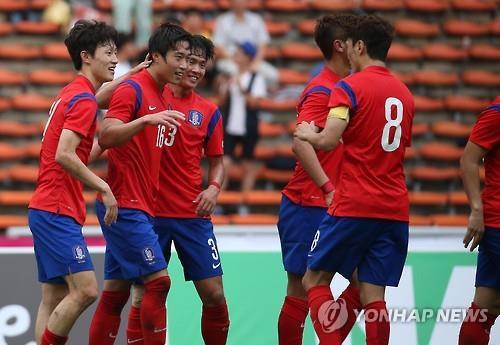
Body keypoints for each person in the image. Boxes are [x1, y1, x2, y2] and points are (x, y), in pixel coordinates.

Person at [295, 15, 414, 345]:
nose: (345, 49)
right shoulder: (405, 94)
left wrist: (309, 133)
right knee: (373, 295)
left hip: (355, 201)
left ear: (359, 46)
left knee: (313, 279)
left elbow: (329, 140)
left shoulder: (348, 87)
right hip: (394, 208)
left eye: (349, 44)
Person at [88, 23, 189, 345]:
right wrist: (144, 120)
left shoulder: (161, 94)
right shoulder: (132, 89)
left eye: (189, 59)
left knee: (116, 292)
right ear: (155, 57)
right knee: (158, 283)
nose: (185, 66)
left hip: (141, 204)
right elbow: (106, 134)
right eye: (179, 57)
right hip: (125, 203)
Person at [125, 34, 230, 345]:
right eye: (189, 61)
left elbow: (218, 162)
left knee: (214, 294)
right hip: (149, 213)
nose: (195, 69)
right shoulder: (149, 97)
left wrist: (213, 188)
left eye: (201, 64)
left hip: (191, 215)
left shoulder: (209, 111)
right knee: (144, 292)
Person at [28, 20, 119, 345]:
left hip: (45, 206)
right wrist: (104, 187)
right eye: (108, 52)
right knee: (85, 290)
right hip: (55, 209)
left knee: (53, 297)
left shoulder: (72, 93)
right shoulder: (83, 101)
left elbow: (74, 153)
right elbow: (64, 155)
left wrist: (105, 143)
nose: (115, 59)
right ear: (86, 56)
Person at [277, 14, 362, 345]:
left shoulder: (346, 88)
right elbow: (300, 142)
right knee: (300, 286)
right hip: (308, 202)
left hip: (338, 204)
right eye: (356, 41)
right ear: (340, 46)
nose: (361, 47)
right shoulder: (323, 89)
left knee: (361, 284)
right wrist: (327, 188)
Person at [458, 96, 500, 345]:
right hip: (497, 222)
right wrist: (476, 209)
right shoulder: (497, 112)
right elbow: (468, 160)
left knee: (486, 306)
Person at [218, 41, 266, 211]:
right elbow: (222, 102)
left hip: (248, 127)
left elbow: (255, 103)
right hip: (231, 125)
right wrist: (224, 86)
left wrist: (240, 86)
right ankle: (217, 199)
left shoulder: (256, 78)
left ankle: (245, 202)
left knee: (248, 163)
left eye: (239, 53)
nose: (236, 55)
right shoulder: (232, 76)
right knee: (225, 161)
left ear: (247, 57)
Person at [212, 0, 278, 86]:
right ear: (231, 3)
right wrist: (236, 60)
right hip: (230, 60)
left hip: (252, 60)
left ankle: (260, 97)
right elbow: (219, 46)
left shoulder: (256, 19)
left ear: (247, 2)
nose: (239, 3)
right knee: (234, 72)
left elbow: (263, 45)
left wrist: (255, 62)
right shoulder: (223, 21)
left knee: (272, 76)